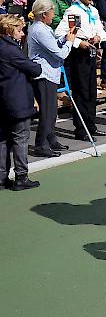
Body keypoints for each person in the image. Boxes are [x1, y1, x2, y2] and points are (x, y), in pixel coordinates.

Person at [54, 0, 106, 141]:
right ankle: (81, 129)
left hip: (91, 51)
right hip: (79, 54)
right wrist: (78, 42)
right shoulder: (73, 11)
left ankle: (91, 125)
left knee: (91, 91)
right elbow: (60, 32)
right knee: (81, 91)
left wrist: (99, 36)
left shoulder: (93, 10)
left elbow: (100, 29)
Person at [27, 0, 75, 158]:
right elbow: (60, 53)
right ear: (44, 14)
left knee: (52, 111)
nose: (53, 15)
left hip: (49, 74)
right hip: (43, 75)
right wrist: (69, 42)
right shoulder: (39, 30)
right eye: (52, 11)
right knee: (47, 112)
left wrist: (63, 39)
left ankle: (51, 139)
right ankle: (41, 144)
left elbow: (53, 44)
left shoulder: (43, 28)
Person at [0, 14, 42, 190]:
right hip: (17, 101)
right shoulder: (10, 50)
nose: (22, 33)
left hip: (3, 100)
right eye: (19, 30)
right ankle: (21, 177)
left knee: (2, 140)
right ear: (10, 30)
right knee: (20, 139)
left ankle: (1, 177)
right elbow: (34, 68)